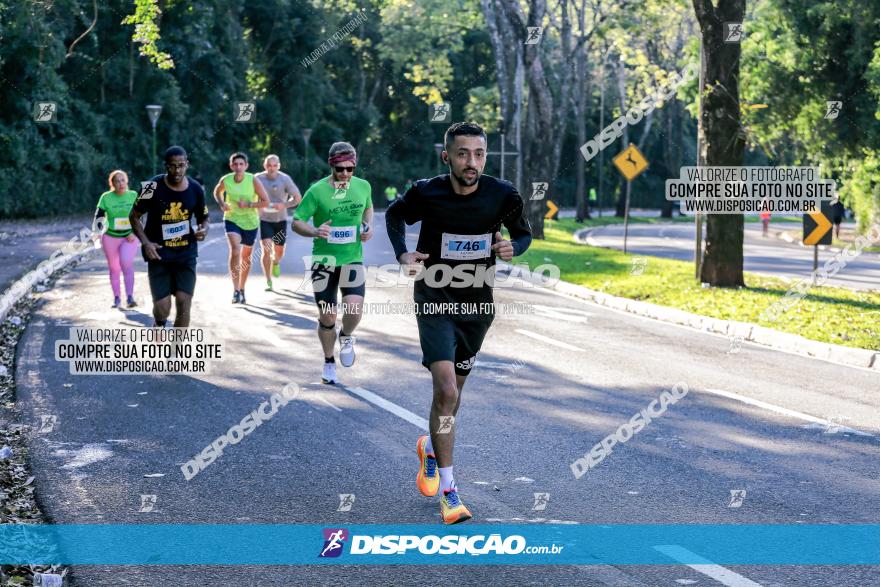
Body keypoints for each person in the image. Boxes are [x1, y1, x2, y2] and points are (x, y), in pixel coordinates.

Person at [385, 121, 532, 524]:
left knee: (454, 395)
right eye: (463, 153)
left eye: (479, 154)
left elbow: (523, 233)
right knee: (446, 389)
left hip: (477, 305)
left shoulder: (503, 194)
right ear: (446, 155)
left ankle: (431, 448)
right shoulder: (425, 191)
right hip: (434, 296)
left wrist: (512, 246)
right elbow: (395, 217)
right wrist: (402, 254)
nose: (472, 162)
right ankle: (449, 492)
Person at [292, 141, 373, 384]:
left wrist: (368, 227)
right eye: (340, 169)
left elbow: (367, 208)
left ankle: (346, 336)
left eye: (350, 169)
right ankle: (329, 362)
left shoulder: (363, 186)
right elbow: (297, 222)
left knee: (354, 309)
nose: (346, 174)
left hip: (352, 259)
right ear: (331, 166)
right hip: (324, 262)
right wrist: (315, 231)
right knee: (328, 317)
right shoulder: (316, 191)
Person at [129, 146, 209, 328]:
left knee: (184, 303)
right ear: (165, 166)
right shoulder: (150, 186)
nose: (177, 171)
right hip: (159, 254)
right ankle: (159, 323)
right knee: (162, 308)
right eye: (172, 166)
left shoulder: (196, 189)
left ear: (187, 165)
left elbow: (204, 218)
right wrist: (146, 243)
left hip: (185, 254)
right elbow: (133, 216)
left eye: (181, 165)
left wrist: (203, 229)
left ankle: (176, 352)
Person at [213, 152, 270, 304]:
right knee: (236, 250)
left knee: (245, 257)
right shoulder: (226, 180)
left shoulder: (253, 180)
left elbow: (265, 201)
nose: (238, 167)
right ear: (231, 166)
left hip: (251, 222)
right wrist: (221, 203)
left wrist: (250, 204)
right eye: (235, 164)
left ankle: (242, 288)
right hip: (232, 218)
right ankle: (235, 290)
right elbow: (217, 191)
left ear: (246, 166)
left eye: (241, 164)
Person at [255, 155, 302, 291]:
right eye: (269, 165)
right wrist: (256, 206)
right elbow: (250, 194)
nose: (272, 168)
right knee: (267, 248)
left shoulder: (285, 179)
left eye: (274, 166)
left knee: (279, 252)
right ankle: (268, 281)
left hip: (280, 220)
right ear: (265, 166)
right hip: (265, 219)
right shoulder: (257, 178)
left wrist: (284, 205)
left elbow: (297, 198)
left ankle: (276, 262)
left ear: (279, 166)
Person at [95, 170, 139, 308]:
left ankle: (130, 297)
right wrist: (96, 233)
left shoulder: (133, 195)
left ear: (127, 182)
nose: (120, 183)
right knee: (114, 268)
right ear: (112, 184)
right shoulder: (106, 197)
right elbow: (99, 217)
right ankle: (117, 298)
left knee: (126, 262)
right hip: (110, 236)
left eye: (123, 180)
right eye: (117, 181)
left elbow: (141, 216)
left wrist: (136, 232)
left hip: (130, 237)